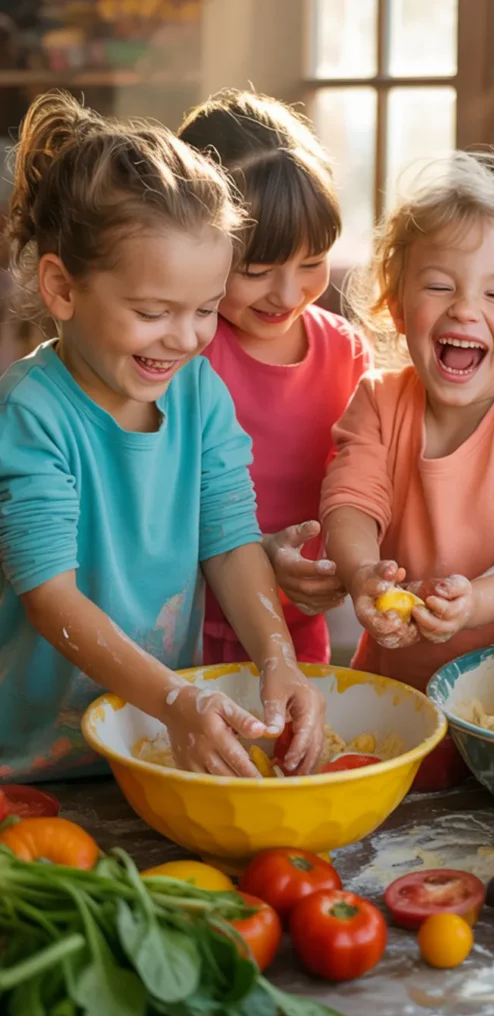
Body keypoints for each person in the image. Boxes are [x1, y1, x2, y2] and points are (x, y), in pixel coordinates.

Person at [0, 91, 326, 783]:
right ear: (61, 288)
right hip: (31, 766)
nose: (185, 338)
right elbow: (48, 596)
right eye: (153, 312)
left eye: (206, 309)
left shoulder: (201, 395)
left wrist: (279, 660)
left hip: (157, 747)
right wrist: (174, 698)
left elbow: (231, 542)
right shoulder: (29, 415)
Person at [320, 151, 494, 783]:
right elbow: (350, 505)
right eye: (440, 286)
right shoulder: (378, 400)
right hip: (398, 702)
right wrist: (362, 574)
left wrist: (474, 602)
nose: (465, 309)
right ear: (396, 306)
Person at [178, 89, 372, 666]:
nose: (288, 294)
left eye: (312, 263)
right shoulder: (183, 354)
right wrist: (255, 555)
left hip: (297, 633)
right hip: (178, 631)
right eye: (257, 271)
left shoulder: (345, 354)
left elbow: (364, 489)